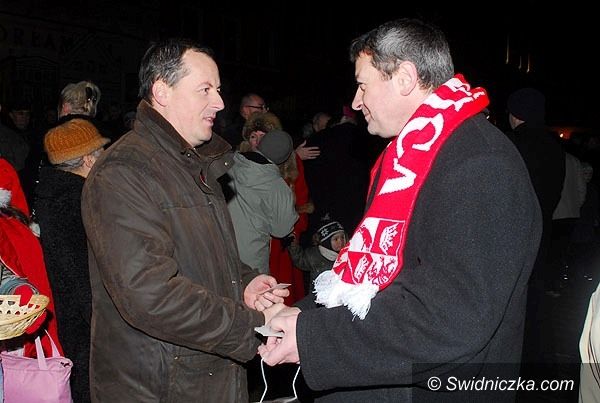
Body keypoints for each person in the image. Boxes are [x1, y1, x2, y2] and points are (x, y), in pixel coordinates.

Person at [259, 18, 541, 402]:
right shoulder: (412, 157)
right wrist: (301, 317)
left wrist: (313, 338)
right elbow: (377, 277)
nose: (356, 102)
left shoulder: (478, 163)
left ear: (405, 78)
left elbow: (450, 320)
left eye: (363, 85)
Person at [80, 38, 288, 402]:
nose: (219, 102)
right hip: (159, 386)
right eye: (205, 89)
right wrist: (254, 324)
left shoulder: (192, 163)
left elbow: (199, 255)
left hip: (201, 375)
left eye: (218, 90)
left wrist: (243, 283)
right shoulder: (125, 171)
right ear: (162, 91)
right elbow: (150, 294)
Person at [35, 119, 110, 403]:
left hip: (67, 317)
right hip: (83, 324)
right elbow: (78, 270)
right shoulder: (75, 202)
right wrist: (102, 324)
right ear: (89, 159)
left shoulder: (51, 193)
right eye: (101, 152)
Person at [288, 218, 347, 294]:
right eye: (336, 239)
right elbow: (300, 260)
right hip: (318, 295)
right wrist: (293, 246)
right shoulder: (313, 255)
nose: (341, 241)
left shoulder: (346, 255)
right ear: (326, 241)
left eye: (342, 237)